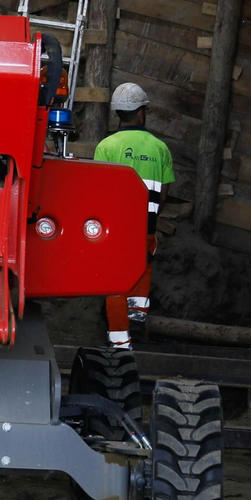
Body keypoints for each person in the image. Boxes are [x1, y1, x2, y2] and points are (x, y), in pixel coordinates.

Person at [93, 82, 173, 350]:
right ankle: (138, 319)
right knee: (142, 267)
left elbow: (99, 193)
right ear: (142, 113)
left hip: (114, 229)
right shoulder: (160, 148)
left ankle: (119, 341)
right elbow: (162, 196)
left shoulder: (106, 146)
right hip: (145, 227)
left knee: (116, 280)